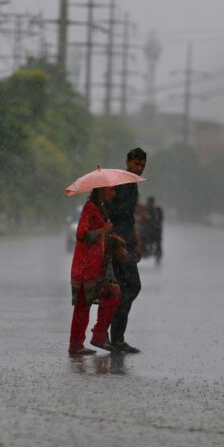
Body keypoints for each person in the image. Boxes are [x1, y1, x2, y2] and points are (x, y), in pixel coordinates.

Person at [68, 186, 122, 356]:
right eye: (111, 190)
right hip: (85, 266)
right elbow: (81, 234)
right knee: (84, 305)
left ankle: (93, 336)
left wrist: (111, 237)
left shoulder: (100, 208)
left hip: (97, 265)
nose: (113, 193)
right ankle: (77, 344)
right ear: (101, 190)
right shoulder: (90, 207)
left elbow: (99, 235)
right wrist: (103, 230)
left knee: (111, 295)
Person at [108, 148, 147, 353]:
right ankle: (112, 333)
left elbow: (130, 217)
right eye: (136, 164)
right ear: (127, 162)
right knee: (133, 286)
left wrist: (137, 243)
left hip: (128, 242)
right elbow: (110, 215)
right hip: (117, 243)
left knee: (125, 289)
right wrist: (117, 244)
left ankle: (117, 338)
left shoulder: (133, 185)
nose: (139, 168)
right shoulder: (119, 184)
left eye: (142, 165)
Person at [145, 196, 163, 264]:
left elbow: (159, 220)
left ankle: (157, 256)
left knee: (157, 244)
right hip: (151, 231)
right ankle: (155, 254)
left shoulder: (156, 210)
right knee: (155, 243)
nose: (149, 203)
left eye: (150, 202)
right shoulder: (146, 209)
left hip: (154, 231)